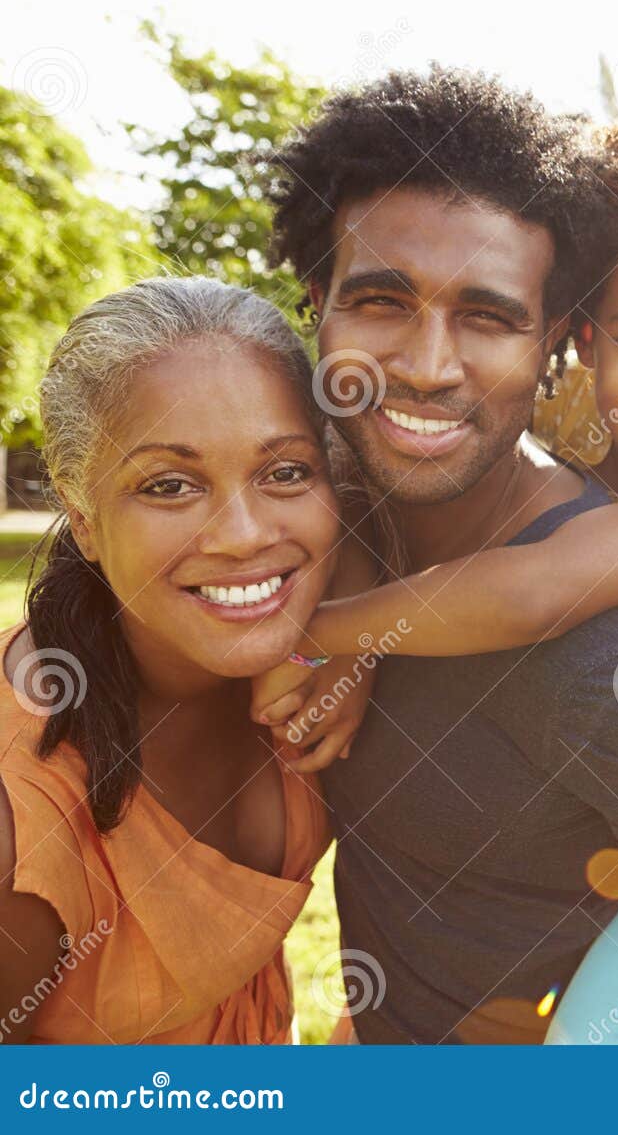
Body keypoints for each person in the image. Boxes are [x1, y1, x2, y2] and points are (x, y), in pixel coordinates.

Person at [266, 67, 618, 1045]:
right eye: (381, 300)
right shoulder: (339, 488)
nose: (429, 365)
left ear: (549, 338)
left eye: (488, 316)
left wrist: (317, 636)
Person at [259, 116, 618, 677]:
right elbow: (363, 459)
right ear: (586, 340)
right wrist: (353, 604)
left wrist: (315, 636)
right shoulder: (575, 396)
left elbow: (538, 592)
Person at [0, 278, 342, 1043]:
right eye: (170, 484)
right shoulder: (21, 828)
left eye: (285, 470)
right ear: (83, 519)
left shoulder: (328, 665)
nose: (244, 532)